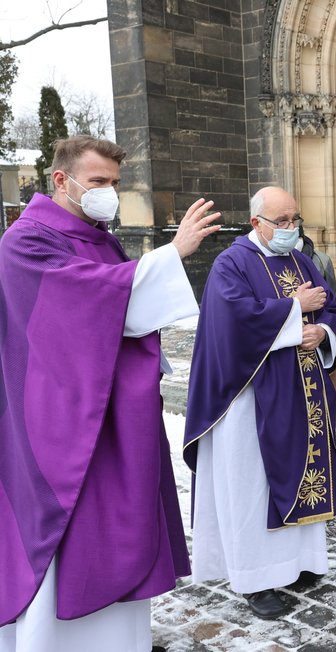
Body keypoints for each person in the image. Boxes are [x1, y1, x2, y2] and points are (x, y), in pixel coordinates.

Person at [0, 135, 221, 650]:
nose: (109, 194)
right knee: (69, 529)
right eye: (98, 182)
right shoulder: (26, 241)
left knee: (118, 522)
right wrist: (172, 255)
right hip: (58, 424)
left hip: (114, 417)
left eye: (115, 184)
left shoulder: (98, 234)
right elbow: (82, 307)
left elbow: (124, 312)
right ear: (61, 180)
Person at [183, 186, 336, 619]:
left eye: (296, 220)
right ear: (257, 223)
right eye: (283, 221)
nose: (292, 229)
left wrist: (321, 333)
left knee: (302, 470)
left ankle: (299, 562)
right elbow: (232, 321)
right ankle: (256, 579)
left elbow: (328, 306)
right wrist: (294, 310)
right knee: (253, 485)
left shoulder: (301, 259)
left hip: (302, 390)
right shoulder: (230, 264)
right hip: (248, 397)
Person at [298, 227, 336, 493]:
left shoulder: (320, 259)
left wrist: (323, 330)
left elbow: (332, 301)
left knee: (335, 414)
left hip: (324, 346)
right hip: (292, 349)